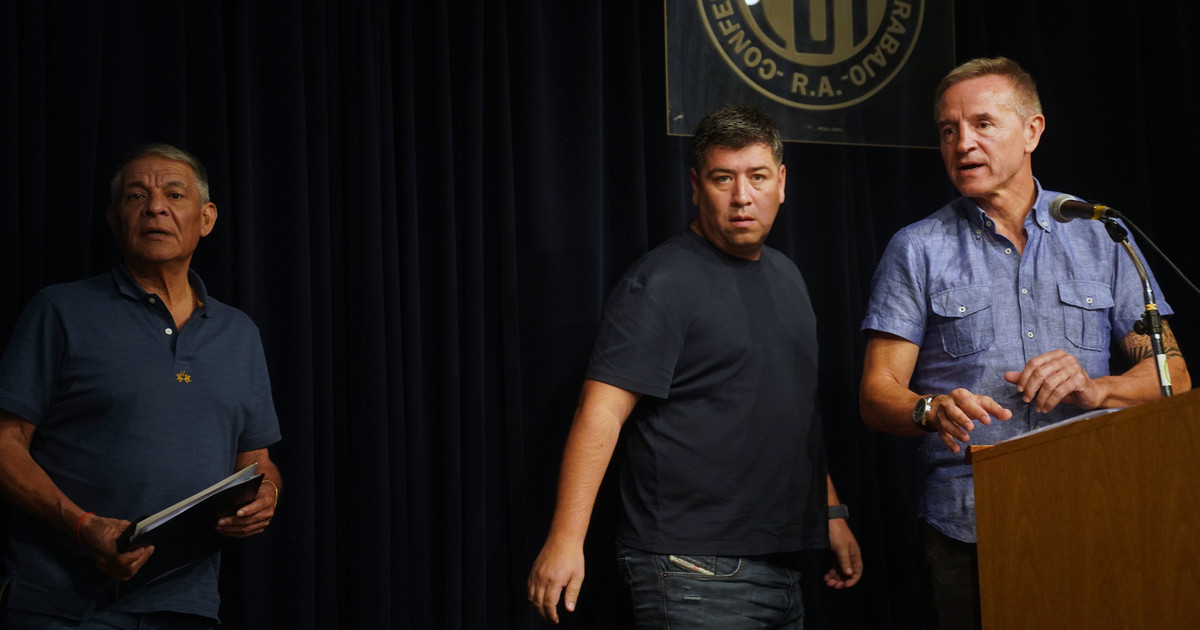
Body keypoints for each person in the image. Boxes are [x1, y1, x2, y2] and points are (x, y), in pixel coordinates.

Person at [859, 57, 1190, 630]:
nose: (963, 143)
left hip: (1096, 513)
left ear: (1032, 130)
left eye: (983, 123)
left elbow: (1173, 377)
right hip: (970, 529)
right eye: (948, 130)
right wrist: (931, 409)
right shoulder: (917, 249)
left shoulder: (1101, 235)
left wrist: (1096, 390)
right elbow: (875, 394)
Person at [528, 105, 862, 628]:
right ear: (695, 186)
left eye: (756, 177)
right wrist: (566, 540)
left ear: (781, 183)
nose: (741, 196)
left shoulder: (788, 277)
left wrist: (831, 512)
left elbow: (792, 414)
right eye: (722, 178)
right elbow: (600, 414)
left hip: (784, 563)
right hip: (690, 570)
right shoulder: (661, 283)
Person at [0, 143, 284, 629]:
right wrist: (83, 525)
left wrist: (268, 496)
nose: (155, 207)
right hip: (62, 605)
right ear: (115, 219)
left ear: (206, 218)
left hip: (185, 605)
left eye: (174, 194)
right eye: (136, 196)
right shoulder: (60, 311)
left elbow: (256, 460)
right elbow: (6, 443)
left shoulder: (239, 334)